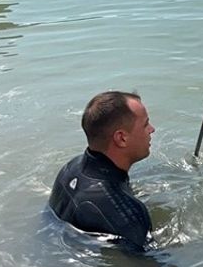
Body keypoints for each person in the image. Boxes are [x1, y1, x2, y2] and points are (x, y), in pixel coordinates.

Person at [49, 91, 155, 252]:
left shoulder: (71, 167)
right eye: (145, 124)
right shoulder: (128, 216)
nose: (152, 129)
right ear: (121, 138)